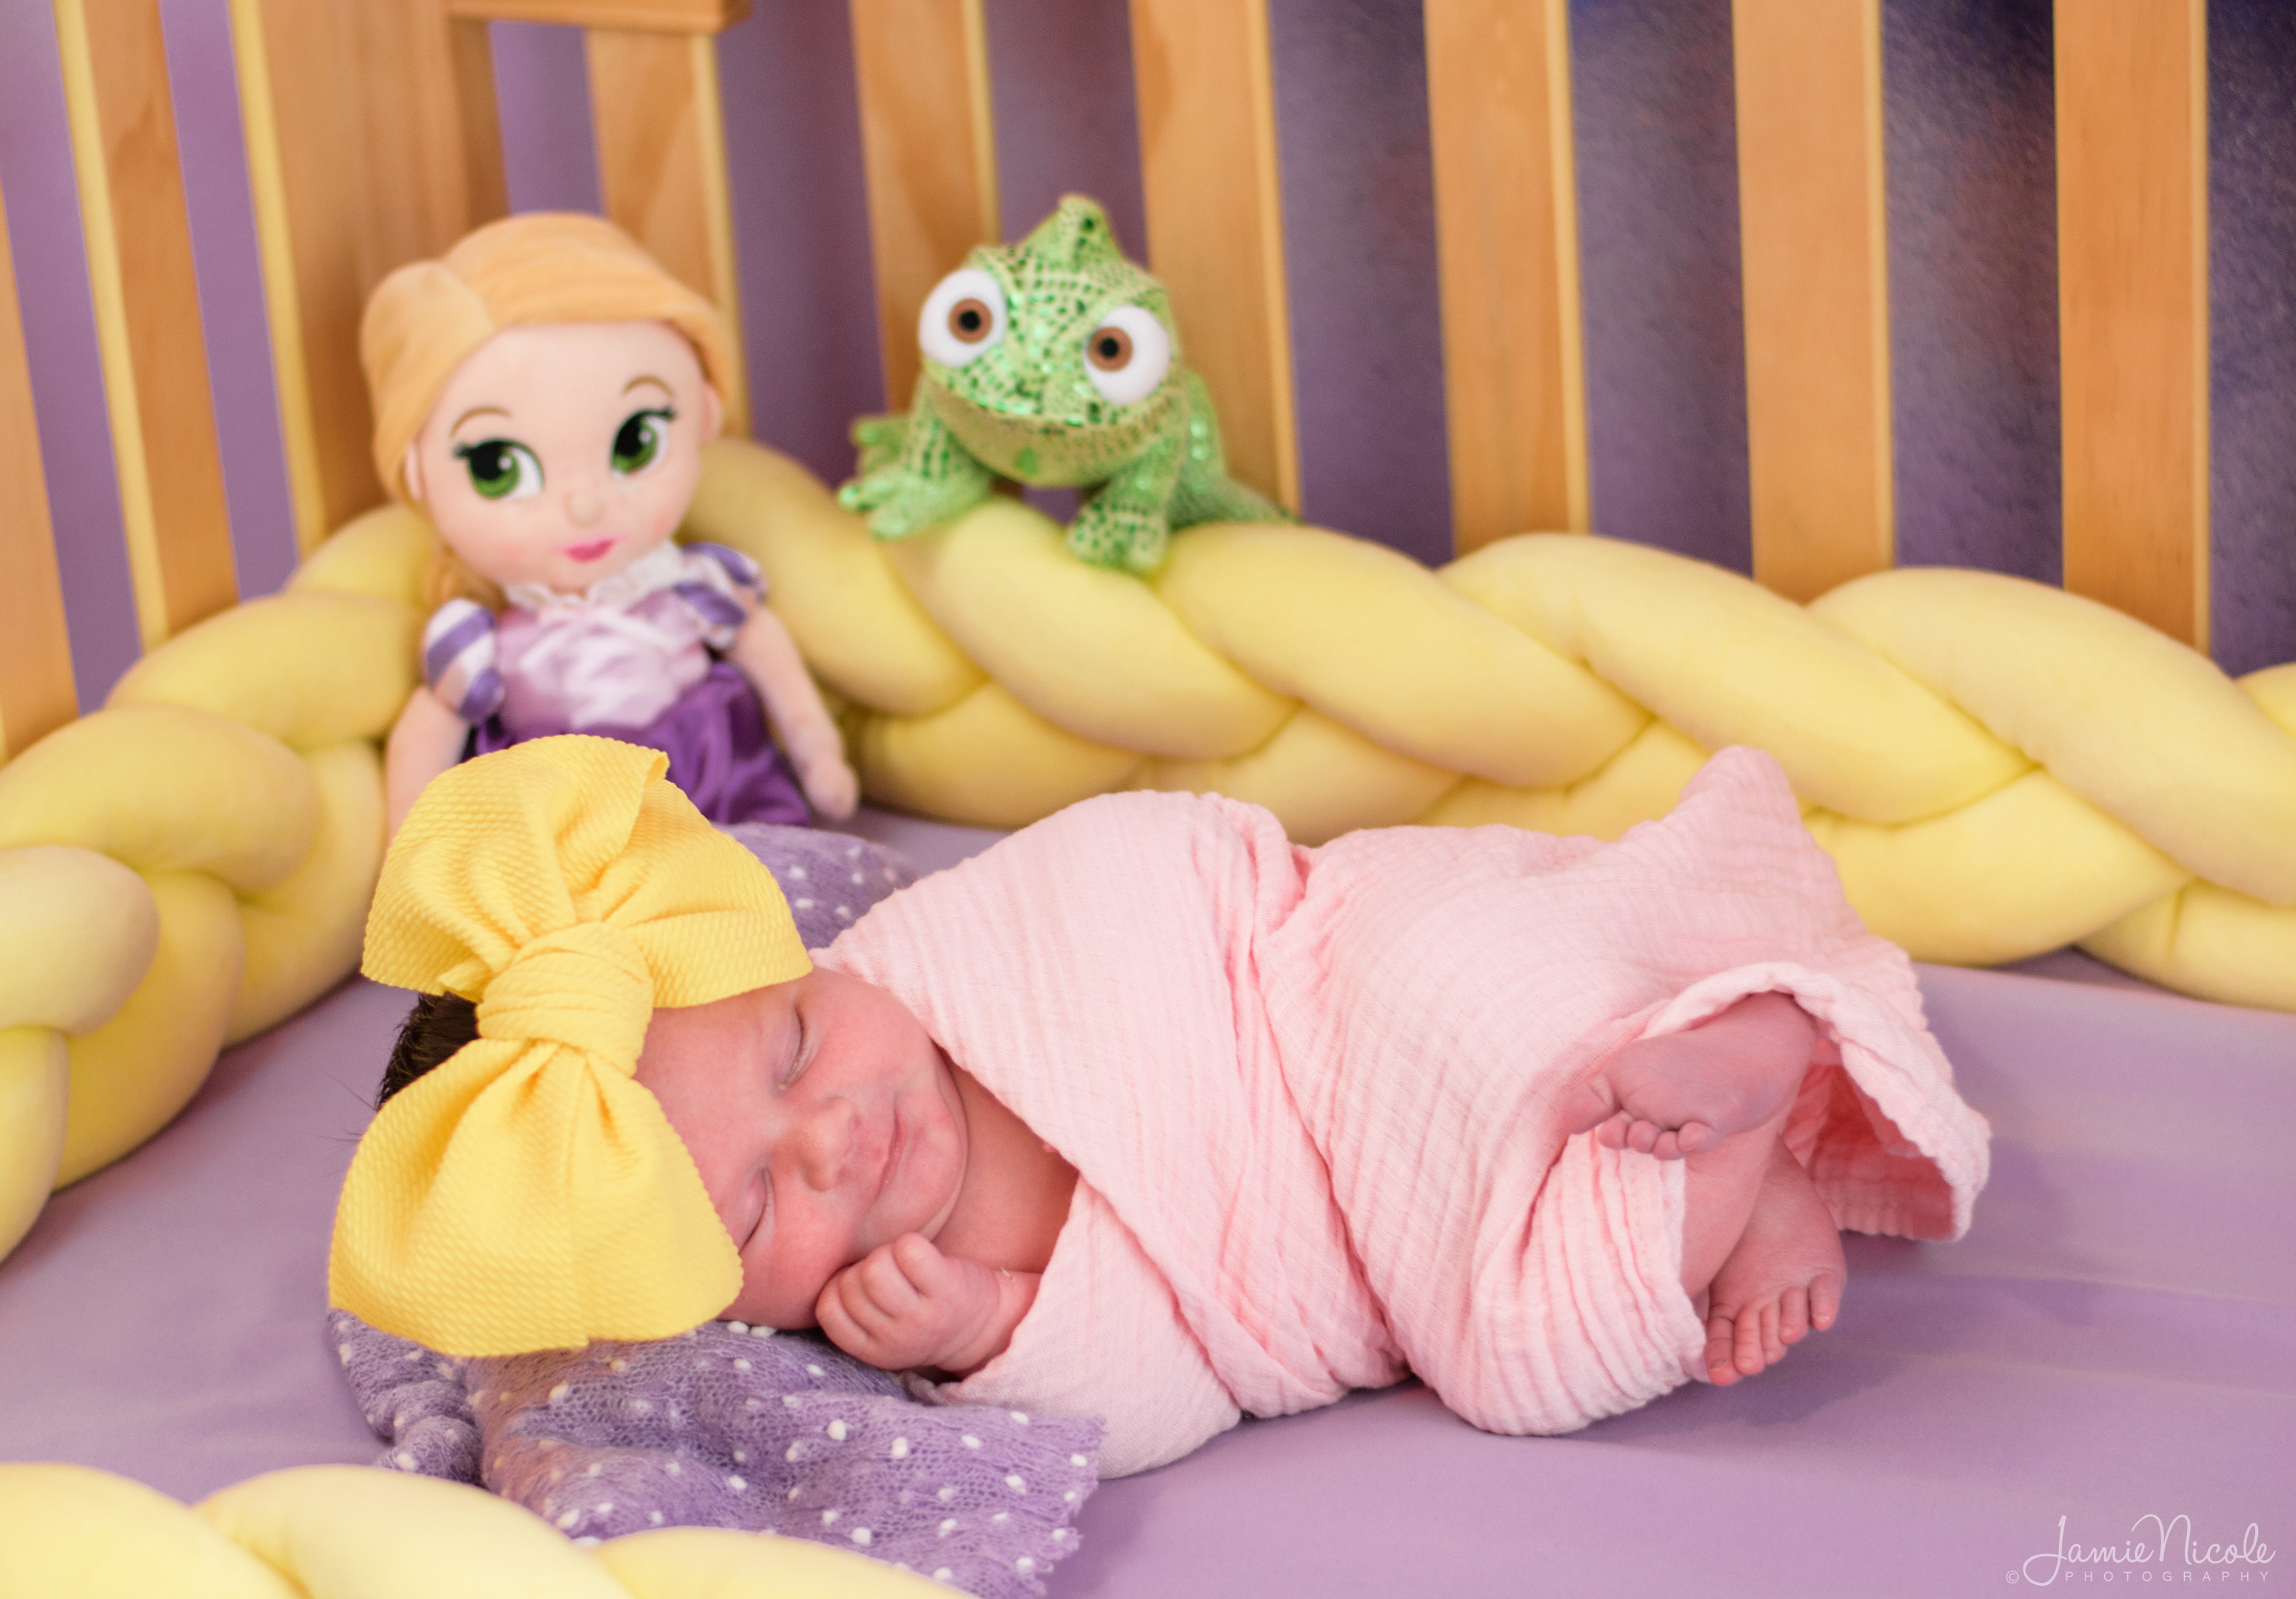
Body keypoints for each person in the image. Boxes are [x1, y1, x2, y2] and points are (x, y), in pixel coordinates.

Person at [333, 736, 1989, 1476]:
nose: (834, 1133)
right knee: (1527, 1361)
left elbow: (1150, 864)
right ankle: (1749, 1119)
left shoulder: (935, 950)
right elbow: (1179, 1383)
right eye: (760, 1204)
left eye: (791, 1049)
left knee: (1465, 990)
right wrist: (993, 1327)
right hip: (1366, 1240)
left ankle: (1729, 1033)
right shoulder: (902, 1312)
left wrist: (1268, 962)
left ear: (787, 963)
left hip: (1326, 974)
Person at [365, 213, 857, 842]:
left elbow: (763, 646)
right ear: (419, 475)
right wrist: (409, 848)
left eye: (635, 444)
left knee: (754, 872)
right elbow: (429, 732)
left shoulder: (697, 587)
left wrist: (819, 753)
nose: (585, 508)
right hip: (563, 818)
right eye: (498, 469)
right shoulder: (475, 644)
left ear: (704, 414)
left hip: (710, 791)